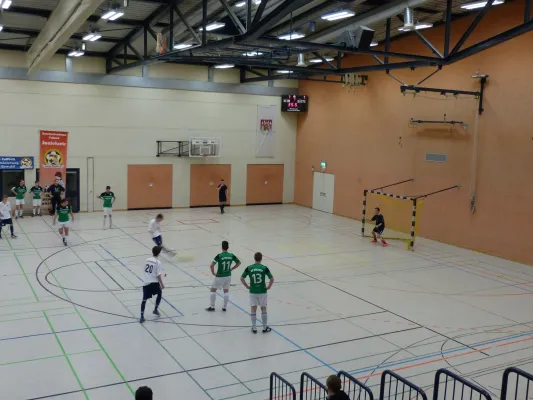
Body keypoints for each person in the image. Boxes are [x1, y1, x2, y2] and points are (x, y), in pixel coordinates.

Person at [240, 252, 274, 334]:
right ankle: (264, 327)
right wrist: (269, 287)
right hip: (262, 291)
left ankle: (254, 327)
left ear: (254, 258)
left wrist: (246, 286)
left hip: (253, 291)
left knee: (253, 309)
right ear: (261, 259)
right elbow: (272, 278)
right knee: (263, 308)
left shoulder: (249, 268)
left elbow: (241, 278)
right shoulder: (264, 268)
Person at [206, 240, 241, 312]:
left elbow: (211, 265)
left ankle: (212, 306)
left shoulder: (219, 256)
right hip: (228, 275)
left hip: (220, 275)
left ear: (222, 247)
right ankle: (224, 307)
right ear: (228, 247)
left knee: (213, 290)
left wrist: (213, 273)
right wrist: (232, 268)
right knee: (226, 291)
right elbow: (238, 263)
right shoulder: (231, 255)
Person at [140, 246, 165, 323]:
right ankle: (155, 309)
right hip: (154, 282)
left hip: (145, 282)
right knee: (159, 293)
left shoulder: (147, 260)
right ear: (159, 253)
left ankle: (141, 317)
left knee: (144, 299)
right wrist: (162, 284)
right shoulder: (158, 262)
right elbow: (158, 275)